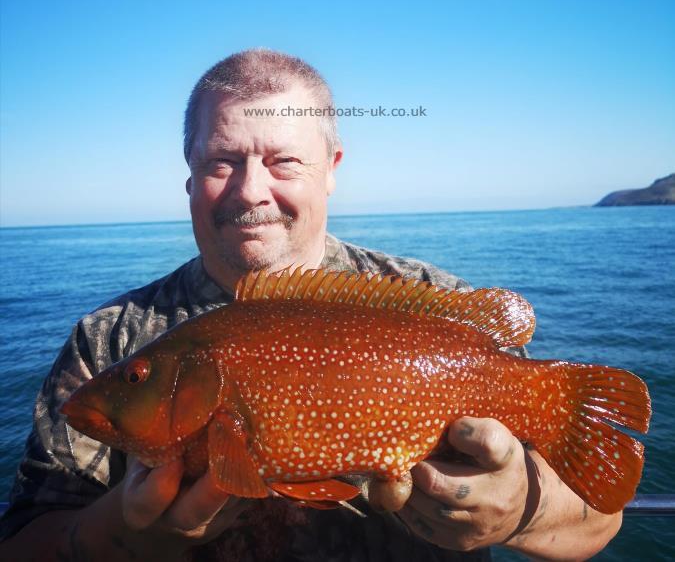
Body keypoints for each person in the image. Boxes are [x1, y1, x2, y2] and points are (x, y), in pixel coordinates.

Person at [0, 49, 622, 561]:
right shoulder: (106, 341)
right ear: (189, 175)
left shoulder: (434, 306)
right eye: (221, 160)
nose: (250, 190)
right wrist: (127, 536)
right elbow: (26, 542)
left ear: (331, 168)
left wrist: (518, 510)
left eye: (283, 161)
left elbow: (599, 520)